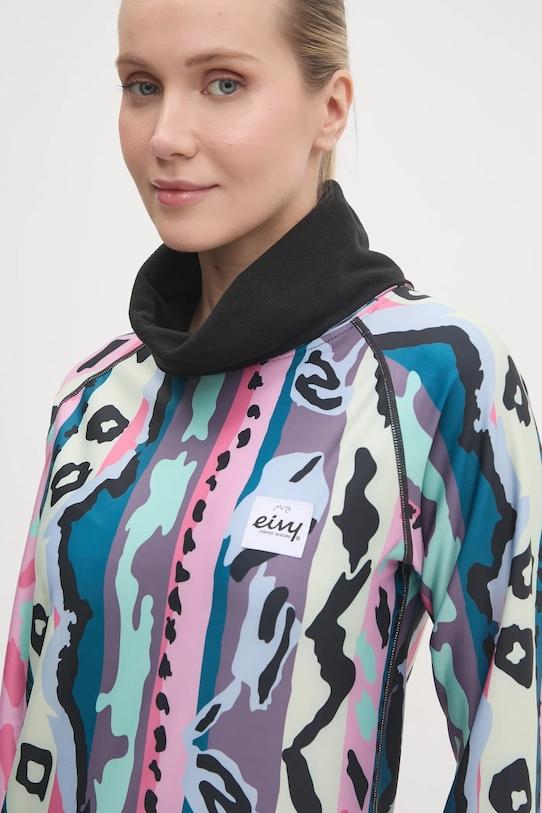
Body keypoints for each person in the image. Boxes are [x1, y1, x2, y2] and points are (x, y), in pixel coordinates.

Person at [1, 0, 541, 810]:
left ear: (331, 108)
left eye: (223, 83)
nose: (165, 136)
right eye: (142, 85)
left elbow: (519, 741)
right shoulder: (94, 395)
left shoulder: (432, 377)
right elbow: (24, 726)